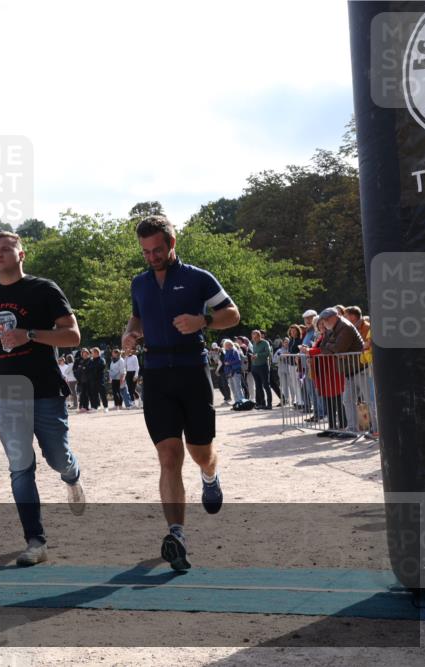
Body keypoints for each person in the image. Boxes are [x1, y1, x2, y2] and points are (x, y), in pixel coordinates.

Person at [0, 231, 84, 567]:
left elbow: (73, 335)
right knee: (20, 469)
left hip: (45, 390)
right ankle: (35, 541)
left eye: (7, 249)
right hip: (6, 392)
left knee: (57, 458)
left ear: (22, 254)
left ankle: (72, 477)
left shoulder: (44, 289)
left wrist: (30, 335)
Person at [121, 215, 240, 571]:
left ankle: (210, 475)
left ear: (172, 244)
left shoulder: (198, 278)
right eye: (145, 251)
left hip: (191, 370)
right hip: (155, 374)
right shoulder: (139, 283)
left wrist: (202, 320)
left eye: (158, 249)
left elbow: (231, 314)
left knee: (200, 452)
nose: (152, 256)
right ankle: (177, 535)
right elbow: (137, 318)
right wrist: (130, 334)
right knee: (169, 457)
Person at [250, 330, 273, 410]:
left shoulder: (265, 343)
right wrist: (253, 356)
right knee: (258, 386)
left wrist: (258, 355)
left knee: (266, 385)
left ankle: (269, 404)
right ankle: (262, 403)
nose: (254, 338)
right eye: (253, 337)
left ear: (260, 336)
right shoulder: (253, 344)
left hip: (263, 366)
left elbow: (268, 353)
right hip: (255, 367)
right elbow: (254, 353)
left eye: (256, 337)